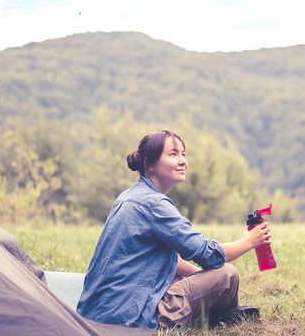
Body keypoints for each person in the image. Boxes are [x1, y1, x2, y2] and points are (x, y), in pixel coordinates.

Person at [77, 130, 271, 330]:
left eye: (183, 154)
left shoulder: (128, 197)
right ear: (149, 164)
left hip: (97, 314)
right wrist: (249, 241)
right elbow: (208, 254)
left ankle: (216, 314)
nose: (182, 161)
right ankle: (215, 317)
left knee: (197, 277)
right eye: (173, 154)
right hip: (134, 320)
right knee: (227, 275)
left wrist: (200, 278)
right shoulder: (154, 204)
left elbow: (164, 259)